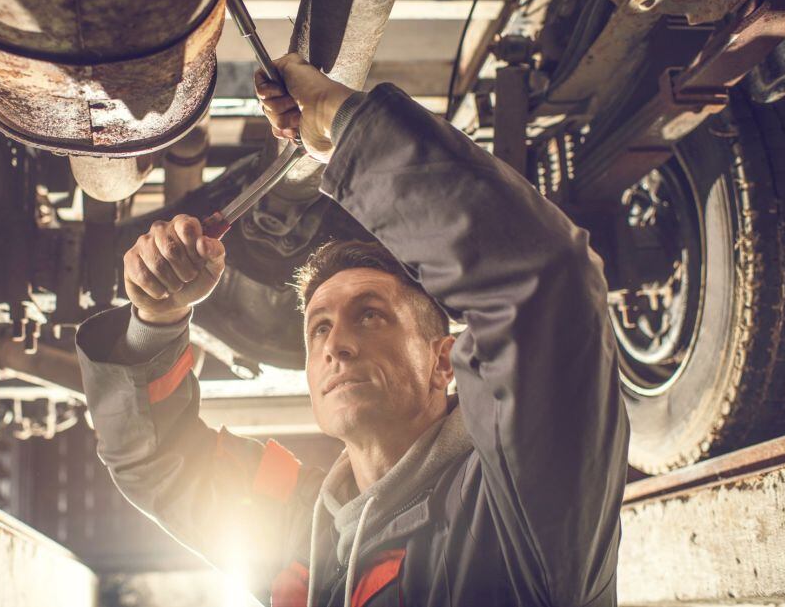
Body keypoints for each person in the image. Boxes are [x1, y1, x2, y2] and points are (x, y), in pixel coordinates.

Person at [75, 53, 630, 606]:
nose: (336, 345)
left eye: (371, 315)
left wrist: (344, 124)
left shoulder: (514, 507)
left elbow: (545, 284)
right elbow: (161, 464)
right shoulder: (306, 535)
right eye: (317, 329)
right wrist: (158, 321)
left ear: (443, 360)